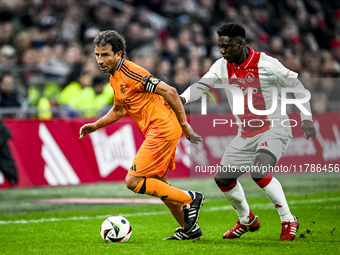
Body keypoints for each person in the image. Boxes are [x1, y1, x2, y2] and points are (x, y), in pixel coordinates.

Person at [180, 22, 316, 241]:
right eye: (220, 47)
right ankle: (246, 220)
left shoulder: (267, 64)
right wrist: (182, 98)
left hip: (275, 127)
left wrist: (306, 118)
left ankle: (288, 219)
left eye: (227, 47)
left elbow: (297, 85)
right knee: (223, 178)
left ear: (241, 44)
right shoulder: (221, 66)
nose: (222, 51)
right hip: (246, 133)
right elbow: (202, 86)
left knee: (259, 170)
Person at [79, 30, 204, 240]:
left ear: (118, 54)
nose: (100, 60)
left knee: (133, 181)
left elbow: (170, 91)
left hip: (162, 128)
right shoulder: (114, 77)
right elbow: (120, 109)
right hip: (158, 129)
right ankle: (189, 229)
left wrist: (185, 125)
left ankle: (189, 199)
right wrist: (96, 125)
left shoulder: (131, 73)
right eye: (97, 55)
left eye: (105, 55)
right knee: (159, 184)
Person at [0, 119, 18, 185]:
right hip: (2, 136)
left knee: (6, 159)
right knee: (6, 159)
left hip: (1, 136)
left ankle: (13, 179)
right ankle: (13, 178)